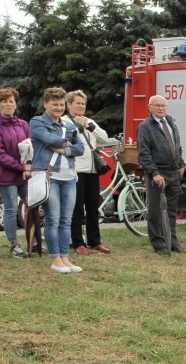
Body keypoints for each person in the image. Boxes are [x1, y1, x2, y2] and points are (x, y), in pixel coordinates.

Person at [30, 87, 85, 273]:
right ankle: (55, 259)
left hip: (69, 176)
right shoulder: (37, 121)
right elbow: (47, 138)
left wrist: (63, 149)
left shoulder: (68, 125)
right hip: (49, 175)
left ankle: (65, 257)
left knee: (66, 220)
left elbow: (80, 149)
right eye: (55, 104)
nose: (59, 108)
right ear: (45, 104)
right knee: (53, 219)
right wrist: (66, 143)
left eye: (61, 105)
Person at [136, 95, 186, 255]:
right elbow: (144, 153)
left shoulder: (171, 122)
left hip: (174, 172)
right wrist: (154, 173)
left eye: (164, 105)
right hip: (158, 174)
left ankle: (172, 242)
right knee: (156, 211)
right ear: (149, 107)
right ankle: (159, 244)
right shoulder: (145, 126)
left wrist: (181, 165)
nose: (161, 108)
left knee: (171, 211)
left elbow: (177, 146)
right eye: (157, 105)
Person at [63, 90, 111, 256]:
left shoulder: (89, 121)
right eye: (78, 103)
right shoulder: (64, 122)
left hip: (92, 171)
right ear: (69, 105)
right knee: (77, 207)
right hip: (76, 170)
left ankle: (95, 241)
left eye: (83, 103)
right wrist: (76, 127)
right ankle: (78, 242)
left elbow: (104, 138)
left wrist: (89, 126)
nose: (81, 106)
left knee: (93, 206)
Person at [0, 87, 30, 259]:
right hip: (5, 176)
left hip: (25, 174)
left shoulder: (23, 124)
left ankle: (34, 241)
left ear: (16, 104)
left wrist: (28, 165)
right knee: (11, 209)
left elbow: (30, 147)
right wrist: (22, 167)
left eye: (11, 101)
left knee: (32, 206)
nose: (8, 104)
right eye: (4, 101)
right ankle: (14, 245)